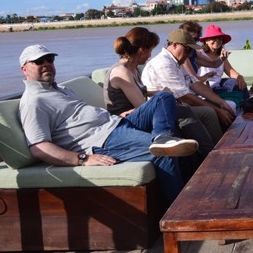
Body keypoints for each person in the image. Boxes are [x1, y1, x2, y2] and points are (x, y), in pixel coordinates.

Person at [17, 44, 198, 205]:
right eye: (39, 61)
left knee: (162, 98)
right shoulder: (34, 101)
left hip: (116, 123)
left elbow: (82, 117)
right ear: (24, 69)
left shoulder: (60, 89)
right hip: (104, 141)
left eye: (49, 59)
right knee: (165, 153)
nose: (46, 63)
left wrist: (117, 116)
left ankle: (162, 137)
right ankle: (182, 211)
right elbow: (39, 147)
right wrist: (82, 159)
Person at [103, 27, 215, 177]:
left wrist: (160, 92)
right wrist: (164, 96)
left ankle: (204, 159)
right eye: (149, 51)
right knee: (180, 112)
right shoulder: (122, 72)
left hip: (137, 115)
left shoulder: (133, 69)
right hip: (126, 122)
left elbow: (142, 92)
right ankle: (207, 158)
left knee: (180, 111)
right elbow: (142, 106)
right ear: (142, 50)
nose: (150, 55)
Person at [142, 29, 236, 133]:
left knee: (227, 106)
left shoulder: (176, 62)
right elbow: (184, 96)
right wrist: (217, 111)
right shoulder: (163, 63)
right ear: (175, 45)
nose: (190, 54)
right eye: (188, 50)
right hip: (164, 110)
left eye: (192, 51)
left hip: (179, 104)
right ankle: (214, 147)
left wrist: (221, 102)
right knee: (209, 112)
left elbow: (195, 83)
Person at [198, 24, 249, 99]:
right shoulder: (199, 54)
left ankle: (247, 105)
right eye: (213, 38)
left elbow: (230, 71)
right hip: (204, 87)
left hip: (217, 86)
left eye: (219, 38)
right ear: (206, 41)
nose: (217, 41)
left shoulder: (221, 55)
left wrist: (240, 77)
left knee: (239, 84)